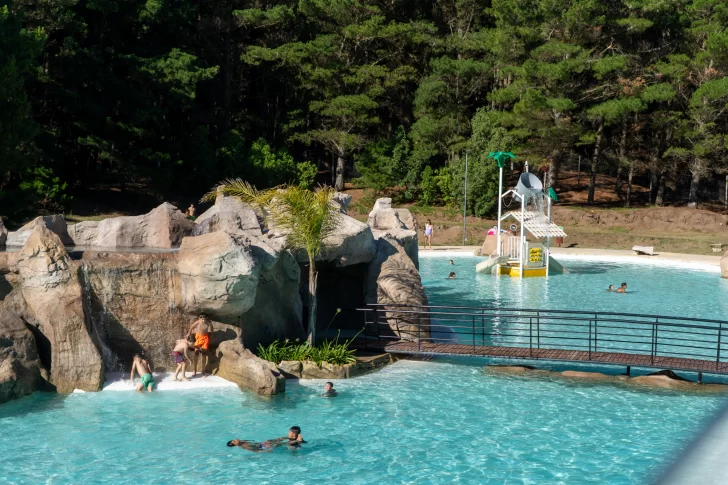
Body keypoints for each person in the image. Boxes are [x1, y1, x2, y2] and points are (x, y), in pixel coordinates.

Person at [227, 427, 306, 452]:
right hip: (264, 447)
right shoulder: (244, 446)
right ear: (236, 445)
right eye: (234, 441)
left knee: (274, 439)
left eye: (233, 439)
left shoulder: (242, 441)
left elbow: (254, 443)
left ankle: (289, 437)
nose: (235, 439)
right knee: (282, 443)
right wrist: (266, 451)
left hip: (262, 443)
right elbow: (256, 451)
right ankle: (297, 441)